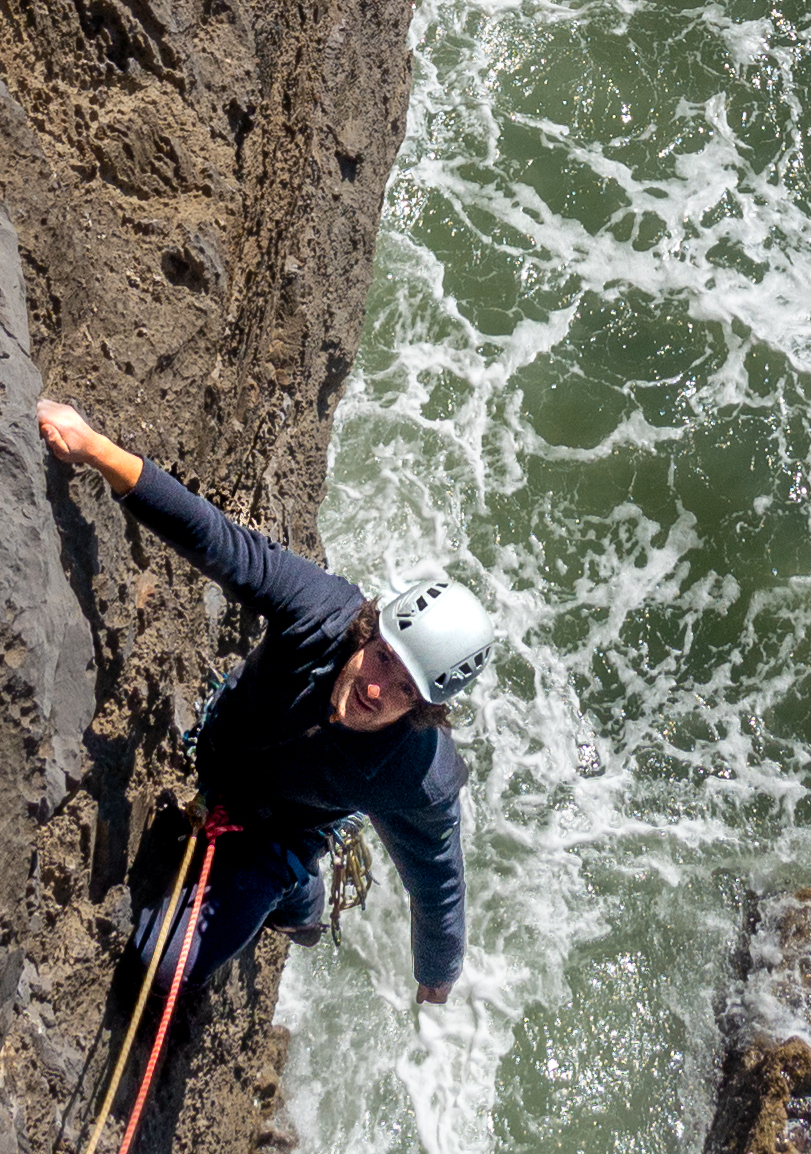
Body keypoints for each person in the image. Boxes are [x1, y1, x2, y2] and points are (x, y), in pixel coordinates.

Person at [34, 397, 487, 1009]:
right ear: (372, 629)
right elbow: (215, 537)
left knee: (159, 974)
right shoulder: (319, 610)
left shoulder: (413, 774)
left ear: (422, 712)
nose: (378, 690)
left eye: (406, 690)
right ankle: (290, 897)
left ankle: (298, 904)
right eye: (384, 658)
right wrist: (94, 450)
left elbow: (437, 881)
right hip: (222, 753)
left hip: (278, 837)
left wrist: (437, 971)